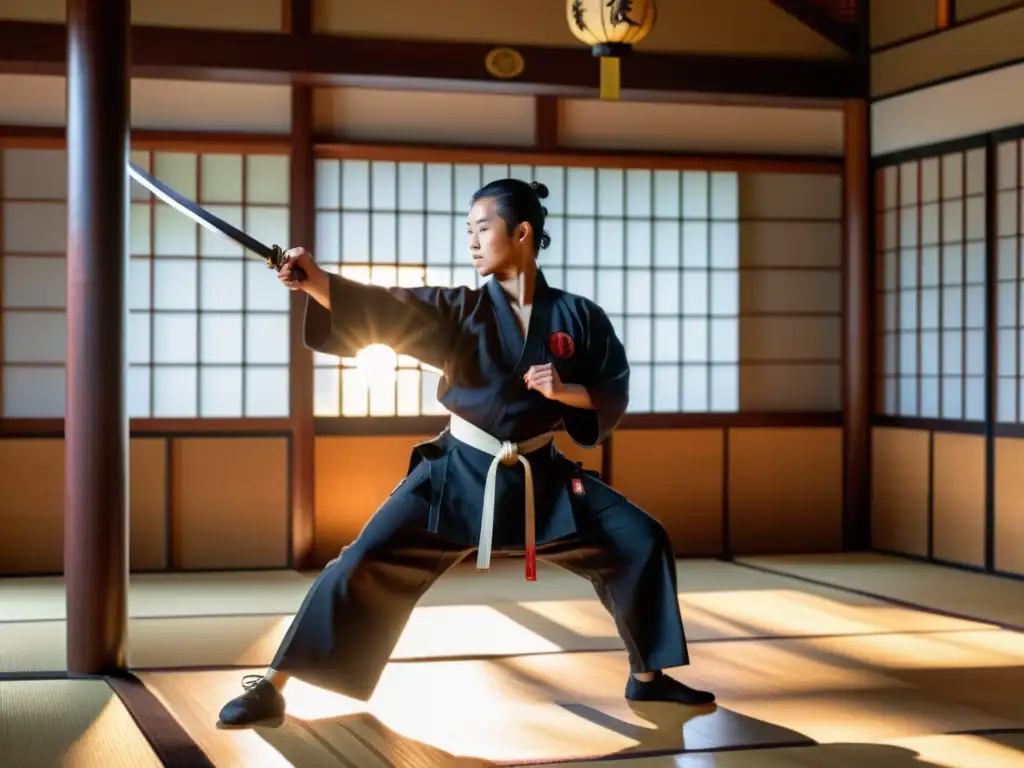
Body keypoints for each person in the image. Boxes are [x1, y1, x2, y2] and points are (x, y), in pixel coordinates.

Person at [217, 178, 715, 727]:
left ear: (521, 233)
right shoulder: (461, 309)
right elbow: (386, 308)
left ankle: (648, 679)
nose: (472, 242)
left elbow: (611, 389)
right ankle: (273, 684)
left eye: (483, 228)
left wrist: (565, 392)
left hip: (540, 479)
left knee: (639, 538)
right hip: (457, 474)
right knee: (360, 561)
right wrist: (317, 283)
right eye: (468, 232)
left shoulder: (580, 318)